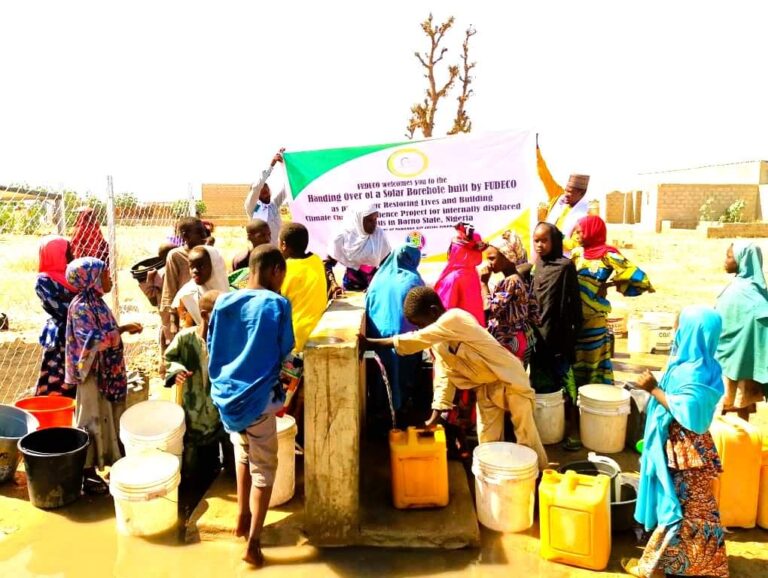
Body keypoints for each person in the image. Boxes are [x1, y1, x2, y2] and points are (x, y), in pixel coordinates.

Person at [360, 286, 548, 469]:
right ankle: (494, 488)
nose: (421, 328)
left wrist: (372, 343)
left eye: (421, 323)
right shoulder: (438, 343)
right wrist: (433, 418)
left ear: (434, 311)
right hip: (485, 389)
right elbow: (444, 377)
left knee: (526, 436)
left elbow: (417, 338)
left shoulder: (455, 318)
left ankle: (540, 478)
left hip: (510, 380)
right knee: (487, 443)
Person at [626, 306, 728, 578]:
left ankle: (653, 568)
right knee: (694, 509)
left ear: (691, 333)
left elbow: (690, 414)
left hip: (685, 451)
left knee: (677, 509)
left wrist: (653, 389)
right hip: (694, 448)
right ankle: (703, 565)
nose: (675, 333)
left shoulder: (690, 372)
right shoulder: (707, 365)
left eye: (678, 328)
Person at [208, 245, 294, 567]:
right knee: (264, 469)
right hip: (258, 399)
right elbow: (285, 349)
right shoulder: (277, 304)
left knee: (242, 452)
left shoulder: (223, 300)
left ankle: (241, 516)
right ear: (274, 271)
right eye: (281, 276)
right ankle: (254, 543)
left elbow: (211, 344)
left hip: (226, 397)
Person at [64, 257, 143, 494]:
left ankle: (109, 462)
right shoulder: (80, 307)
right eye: (105, 275)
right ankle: (87, 472)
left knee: (109, 416)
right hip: (91, 375)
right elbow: (92, 341)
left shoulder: (97, 303)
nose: (110, 279)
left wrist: (120, 330)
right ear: (91, 279)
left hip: (108, 372)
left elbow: (104, 335)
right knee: (91, 419)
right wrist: (120, 330)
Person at [571, 215, 653, 388]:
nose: (577, 236)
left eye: (580, 232)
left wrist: (609, 284)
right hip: (574, 318)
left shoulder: (607, 255)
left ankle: (595, 401)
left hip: (594, 319)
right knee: (575, 360)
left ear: (592, 231)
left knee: (593, 361)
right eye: (576, 232)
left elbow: (641, 280)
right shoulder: (577, 253)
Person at [530, 222, 582, 450]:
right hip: (538, 337)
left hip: (559, 338)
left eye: (544, 240)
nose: (540, 245)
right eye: (536, 241)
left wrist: (572, 336)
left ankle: (572, 430)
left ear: (555, 241)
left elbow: (574, 304)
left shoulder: (565, 266)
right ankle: (546, 428)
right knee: (541, 387)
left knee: (566, 385)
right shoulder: (536, 266)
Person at [165, 289, 224, 476]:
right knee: (191, 469)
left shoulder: (226, 342)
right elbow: (167, 361)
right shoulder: (185, 339)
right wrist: (176, 372)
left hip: (218, 417)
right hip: (192, 415)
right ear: (206, 315)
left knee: (218, 462)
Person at [365, 236, 425, 413]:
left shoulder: (378, 279)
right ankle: (402, 411)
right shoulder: (414, 280)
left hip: (379, 337)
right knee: (404, 377)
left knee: (383, 379)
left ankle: (381, 414)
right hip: (406, 339)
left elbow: (368, 305)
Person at [716, 241, 768, 420]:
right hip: (739, 361)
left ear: (742, 260)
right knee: (740, 406)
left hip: (733, 363)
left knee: (726, 405)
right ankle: (741, 443)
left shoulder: (745, 293)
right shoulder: (755, 291)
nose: (725, 260)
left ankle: (730, 445)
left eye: (730, 257)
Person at [481, 231, 540, 367]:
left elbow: (490, 310)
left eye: (492, 258)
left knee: (507, 382)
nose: (489, 263)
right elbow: (533, 311)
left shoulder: (509, 282)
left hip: (509, 340)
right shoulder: (520, 277)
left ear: (507, 257)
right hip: (520, 338)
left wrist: (483, 284)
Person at [35, 235, 77, 397]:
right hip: (61, 335)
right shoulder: (44, 281)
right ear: (55, 254)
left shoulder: (72, 275)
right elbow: (60, 309)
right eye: (68, 252)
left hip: (78, 331)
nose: (72, 255)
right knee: (59, 379)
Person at [278, 223, 328, 353]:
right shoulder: (316, 261)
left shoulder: (283, 269)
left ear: (283, 245)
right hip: (320, 332)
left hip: (295, 340)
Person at [537, 139, 590, 256]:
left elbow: (575, 245)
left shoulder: (584, 217)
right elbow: (544, 174)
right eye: (566, 189)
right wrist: (536, 150)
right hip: (544, 255)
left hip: (563, 261)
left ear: (582, 193)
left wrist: (552, 235)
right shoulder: (557, 198)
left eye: (570, 192)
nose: (566, 193)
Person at [160, 217, 208, 341]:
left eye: (203, 231)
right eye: (198, 232)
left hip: (205, 308)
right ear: (185, 236)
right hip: (185, 311)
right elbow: (169, 289)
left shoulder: (208, 253)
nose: (204, 235)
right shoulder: (176, 255)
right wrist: (172, 320)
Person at [327, 202, 391, 291]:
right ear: (358, 220)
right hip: (350, 288)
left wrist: (378, 285)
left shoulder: (379, 235)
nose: (374, 224)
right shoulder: (342, 237)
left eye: (376, 219)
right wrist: (333, 285)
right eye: (370, 220)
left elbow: (388, 264)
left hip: (375, 287)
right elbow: (327, 265)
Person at [434, 222, 486, 326]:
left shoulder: (453, 277)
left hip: (458, 334)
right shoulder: (473, 273)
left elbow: (445, 311)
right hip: (475, 332)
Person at [173, 245, 230, 327]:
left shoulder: (229, 292)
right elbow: (185, 330)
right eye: (191, 266)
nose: (195, 270)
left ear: (215, 266)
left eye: (201, 266)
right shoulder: (187, 296)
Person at [244, 149, 288, 244]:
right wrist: (271, 165)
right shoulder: (252, 207)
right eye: (264, 192)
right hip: (261, 252)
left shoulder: (273, 205)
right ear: (257, 195)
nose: (268, 194)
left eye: (268, 191)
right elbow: (257, 187)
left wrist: (286, 165)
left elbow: (287, 188)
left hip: (276, 251)